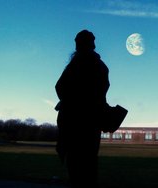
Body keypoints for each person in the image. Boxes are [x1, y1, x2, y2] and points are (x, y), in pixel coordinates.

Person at [55, 30, 110, 187]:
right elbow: (101, 93)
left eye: (79, 42)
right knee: (88, 165)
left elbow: (60, 87)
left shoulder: (77, 64)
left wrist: (69, 101)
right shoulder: (99, 66)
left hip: (76, 121)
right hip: (90, 122)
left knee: (77, 166)